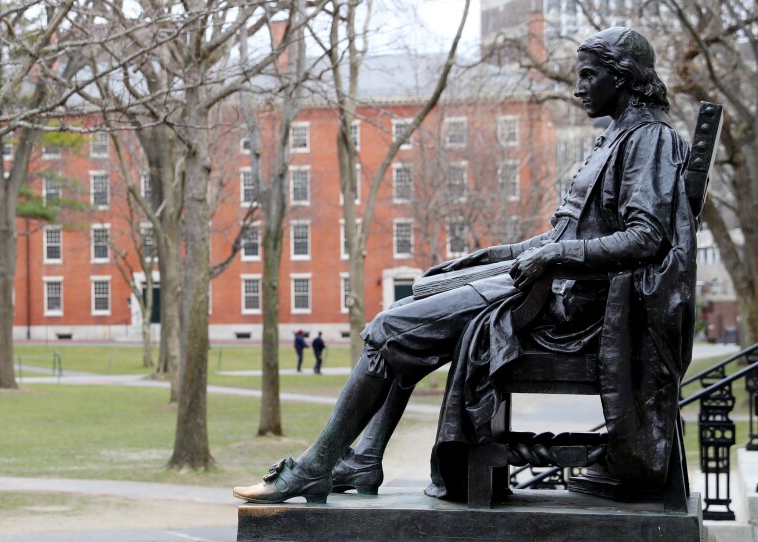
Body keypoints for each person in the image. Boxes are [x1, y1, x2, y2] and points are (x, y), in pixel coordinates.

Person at [234, 27, 695, 505]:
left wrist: (551, 256)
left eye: (588, 76)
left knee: (388, 329)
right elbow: (569, 234)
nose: (578, 88)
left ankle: (314, 467)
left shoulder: (649, 140)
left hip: (571, 307)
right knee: (424, 293)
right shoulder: (620, 136)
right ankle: (366, 454)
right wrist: (490, 255)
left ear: (621, 78)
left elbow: (646, 238)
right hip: (551, 286)